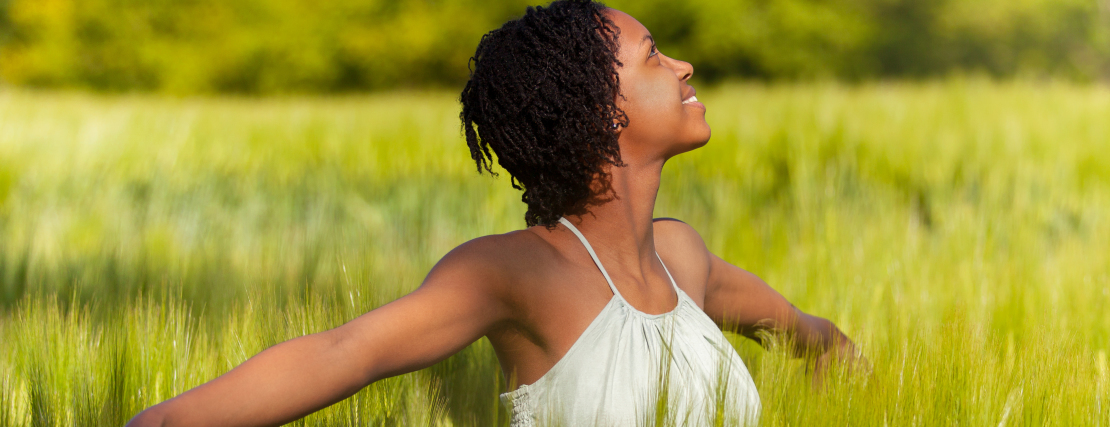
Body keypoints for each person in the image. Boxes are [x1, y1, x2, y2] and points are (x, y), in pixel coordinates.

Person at [127, 1, 864, 425]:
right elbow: (343, 351)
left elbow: (817, 341)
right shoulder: (519, 271)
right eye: (653, 55)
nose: (683, 67)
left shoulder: (686, 258)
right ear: (600, 109)